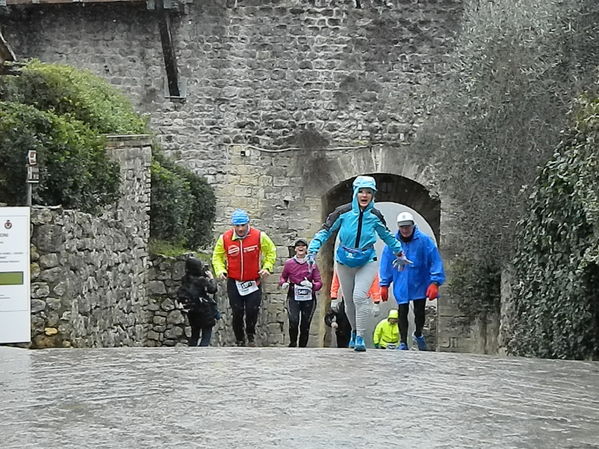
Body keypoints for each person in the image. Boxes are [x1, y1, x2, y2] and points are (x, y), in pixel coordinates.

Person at [307, 175, 411, 352]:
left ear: (373, 195)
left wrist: (399, 253)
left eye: (368, 192)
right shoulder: (342, 212)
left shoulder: (375, 215)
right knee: (349, 302)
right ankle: (354, 331)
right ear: (355, 193)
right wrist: (313, 249)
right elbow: (326, 230)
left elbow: (387, 235)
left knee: (359, 296)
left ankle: (360, 337)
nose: (364, 195)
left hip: (367, 260)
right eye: (361, 191)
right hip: (344, 261)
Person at [379, 211, 446, 351]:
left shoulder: (424, 241)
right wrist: (384, 284)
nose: (405, 230)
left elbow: (435, 260)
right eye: (402, 227)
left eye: (407, 226)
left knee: (419, 311)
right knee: (402, 311)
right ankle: (403, 342)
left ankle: (418, 333)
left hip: (420, 281)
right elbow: (386, 262)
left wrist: (435, 282)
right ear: (398, 227)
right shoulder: (393, 243)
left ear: (412, 225)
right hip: (401, 281)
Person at [212, 209, 277, 347]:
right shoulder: (225, 238)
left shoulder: (259, 236)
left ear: (248, 223)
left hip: (254, 281)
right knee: (237, 311)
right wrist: (220, 270)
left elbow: (271, 251)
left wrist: (267, 267)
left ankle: (250, 334)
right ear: (233, 226)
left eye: (243, 225)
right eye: (237, 226)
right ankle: (240, 339)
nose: (240, 229)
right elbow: (217, 256)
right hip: (234, 281)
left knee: (252, 309)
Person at [279, 239, 323, 347]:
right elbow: (283, 277)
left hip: (308, 297)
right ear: (295, 249)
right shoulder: (289, 263)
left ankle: (303, 346)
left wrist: (311, 285)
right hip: (293, 294)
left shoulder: (312, 264)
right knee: (293, 321)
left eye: (303, 246)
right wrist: (283, 284)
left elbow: (319, 282)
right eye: (298, 246)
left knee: (305, 324)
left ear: (307, 249)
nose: (300, 248)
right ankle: (293, 343)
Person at [326, 268, 382, 348]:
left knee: (360, 319)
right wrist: (333, 297)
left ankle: (359, 336)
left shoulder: (367, 261)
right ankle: (345, 344)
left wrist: (376, 301)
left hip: (362, 298)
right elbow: (337, 276)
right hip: (346, 298)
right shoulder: (344, 259)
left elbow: (373, 279)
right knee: (344, 326)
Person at [175, 257, 219, 347]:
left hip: (193, 312)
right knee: (206, 337)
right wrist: (211, 278)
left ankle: (192, 354)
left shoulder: (185, 279)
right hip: (204, 311)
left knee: (194, 336)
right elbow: (213, 289)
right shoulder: (201, 280)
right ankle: (201, 355)